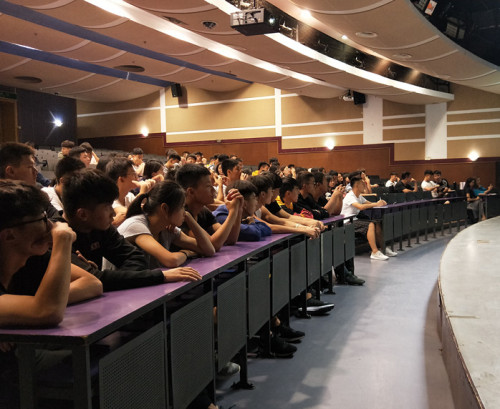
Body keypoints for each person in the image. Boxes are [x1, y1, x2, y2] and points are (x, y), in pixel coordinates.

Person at [0, 180, 102, 408]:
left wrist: (22, 312)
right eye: (41, 220)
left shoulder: (32, 255)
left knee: (105, 352)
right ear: (9, 236)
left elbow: (92, 283)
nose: (51, 226)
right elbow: (48, 311)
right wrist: (62, 241)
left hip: (19, 360)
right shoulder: (42, 246)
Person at [62, 169, 179, 291]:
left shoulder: (101, 228)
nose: (113, 213)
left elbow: (137, 259)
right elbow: (93, 281)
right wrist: (157, 276)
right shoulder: (58, 238)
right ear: (83, 214)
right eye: (107, 207)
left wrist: (109, 279)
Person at [116, 181, 214, 275]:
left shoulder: (167, 227)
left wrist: (189, 219)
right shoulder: (136, 225)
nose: (184, 212)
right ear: (165, 208)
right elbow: (172, 260)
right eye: (182, 207)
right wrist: (186, 253)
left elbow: (209, 250)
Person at [176, 164, 243, 251]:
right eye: (208, 186)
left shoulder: (203, 211)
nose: (213, 190)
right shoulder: (181, 215)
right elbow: (213, 245)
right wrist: (232, 212)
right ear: (191, 192)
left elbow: (230, 239)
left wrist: (238, 209)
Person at [0, 142, 60, 220]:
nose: (36, 171)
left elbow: (57, 216)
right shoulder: (4, 203)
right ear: (11, 171)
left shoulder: (35, 191)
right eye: (30, 167)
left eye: (34, 166)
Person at [341, 175, 396, 260]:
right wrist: (376, 204)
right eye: (363, 184)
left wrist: (380, 203)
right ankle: (374, 252)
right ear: (357, 185)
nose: (365, 186)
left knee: (377, 223)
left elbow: (369, 203)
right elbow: (360, 207)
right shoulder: (350, 196)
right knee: (370, 224)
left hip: (355, 220)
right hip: (347, 222)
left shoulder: (359, 196)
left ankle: (383, 249)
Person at [105, 157, 155, 226]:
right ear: (121, 179)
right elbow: (130, 215)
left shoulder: (129, 196)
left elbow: (144, 209)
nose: (137, 178)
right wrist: (142, 192)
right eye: (133, 174)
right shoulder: (110, 200)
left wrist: (149, 191)